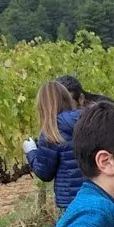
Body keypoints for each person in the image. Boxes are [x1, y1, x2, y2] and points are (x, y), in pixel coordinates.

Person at [23, 81, 85, 211]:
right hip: (99, 194)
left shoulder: (51, 132)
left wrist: (31, 151)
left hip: (71, 201)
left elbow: (45, 173)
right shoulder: (89, 120)